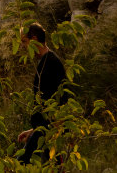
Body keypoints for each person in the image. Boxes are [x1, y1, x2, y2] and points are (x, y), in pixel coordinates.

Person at [16, 22, 67, 166]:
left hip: (47, 130)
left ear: (35, 39)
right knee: (54, 166)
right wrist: (32, 130)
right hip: (44, 129)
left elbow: (60, 101)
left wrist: (46, 129)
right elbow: (45, 104)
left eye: (25, 42)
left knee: (20, 164)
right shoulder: (44, 62)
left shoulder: (52, 63)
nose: (24, 46)